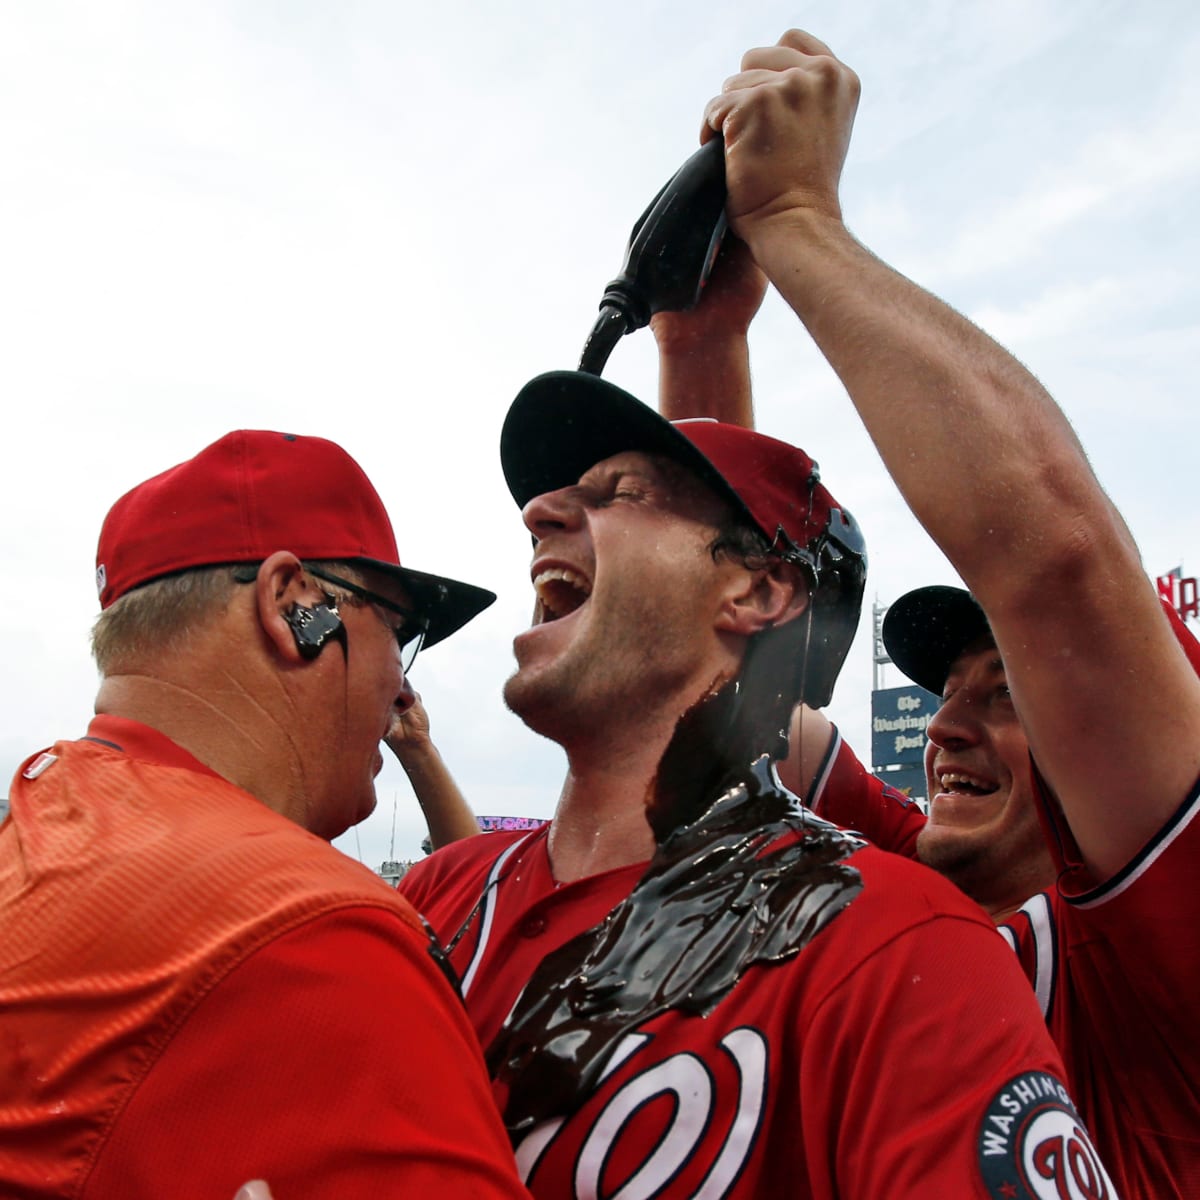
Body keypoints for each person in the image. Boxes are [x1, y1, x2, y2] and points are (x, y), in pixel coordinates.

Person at [690, 28, 1199, 1198]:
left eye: (1009, 692)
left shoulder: (1171, 948)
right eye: (948, 690)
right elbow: (728, 680)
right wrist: (708, 339)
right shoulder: (913, 871)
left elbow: (1058, 566)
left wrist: (801, 223)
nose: (948, 727)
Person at [400, 370, 1110, 1191]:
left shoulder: (898, 951)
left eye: (620, 494)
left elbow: (1065, 551)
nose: (539, 514)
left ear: (759, 590)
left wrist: (791, 239)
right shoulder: (425, 898)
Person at [0, 430, 529, 1199]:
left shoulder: (34, 822)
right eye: (401, 630)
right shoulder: (313, 934)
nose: (403, 688)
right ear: (294, 606)